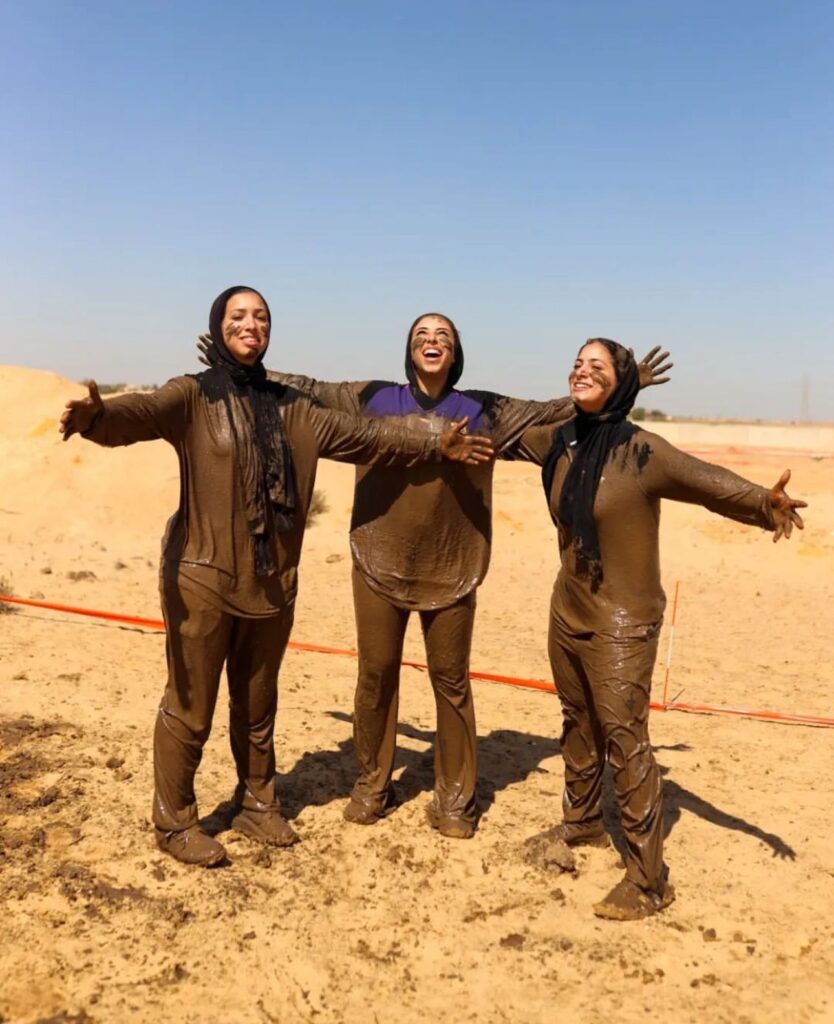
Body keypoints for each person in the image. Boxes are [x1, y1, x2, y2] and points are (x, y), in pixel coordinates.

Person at [58, 287, 494, 867]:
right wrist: (98, 417)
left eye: (261, 317)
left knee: (258, 705)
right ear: (218, 326)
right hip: (202, 578)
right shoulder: (193, 394)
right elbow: (138, 412)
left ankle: (258, 804)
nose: (251, 324)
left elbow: (369, 436)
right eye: (238, 316)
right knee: (191, 706)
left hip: (271, 585)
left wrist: (431, 439)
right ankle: (174, 820)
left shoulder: (296, 408)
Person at [199, 316, 671, 838]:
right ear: (409, 348)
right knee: (376, 676)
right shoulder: (372, 398)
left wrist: (627, 384)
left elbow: (548, 408)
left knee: (451, 684)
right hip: (377, 562)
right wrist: (241, 366)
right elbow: (307, 388)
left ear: (455, 353)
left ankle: (455, 799)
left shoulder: (484, 410)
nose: (432, 341)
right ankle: (373, 784)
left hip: (453, 569)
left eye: (443, 336)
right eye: (423, 334)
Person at [503, 338, 806, 919]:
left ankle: (649, 881)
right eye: (577, 364)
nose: (581, 371)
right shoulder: (560, 440)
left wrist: (764, 504)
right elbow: (505, 429)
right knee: (577, 722)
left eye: (597, 366)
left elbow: (707, 481)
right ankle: (582, 826)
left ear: (621, 385)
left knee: (625, 738)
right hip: (567, 607)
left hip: (624, 619)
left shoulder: (645, 451)